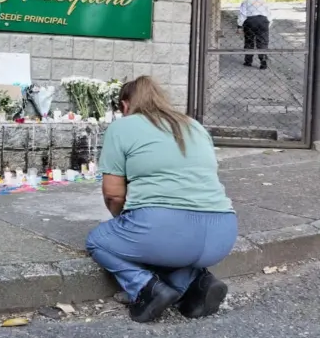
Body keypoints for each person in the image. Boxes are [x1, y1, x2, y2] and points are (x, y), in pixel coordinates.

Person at [86, 76, 237, 323]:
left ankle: (145, 287)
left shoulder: (122, 127)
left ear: (125, 105)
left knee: (98, 241)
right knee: (173, 247)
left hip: (164, 230)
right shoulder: (193, 125)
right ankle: (196, 283)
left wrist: (123, 221)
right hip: (223, 234)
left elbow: (113, 194)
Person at [237, 0, 272, 69]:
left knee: (249, 41)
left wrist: (239, 26)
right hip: (263, 21)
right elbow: (269, 14)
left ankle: (248, 61)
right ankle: (263, 62)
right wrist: (267, 24)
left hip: (250, 21)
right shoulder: (264, 2)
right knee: (262, 42)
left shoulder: (246, 2)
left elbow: (242, 14)